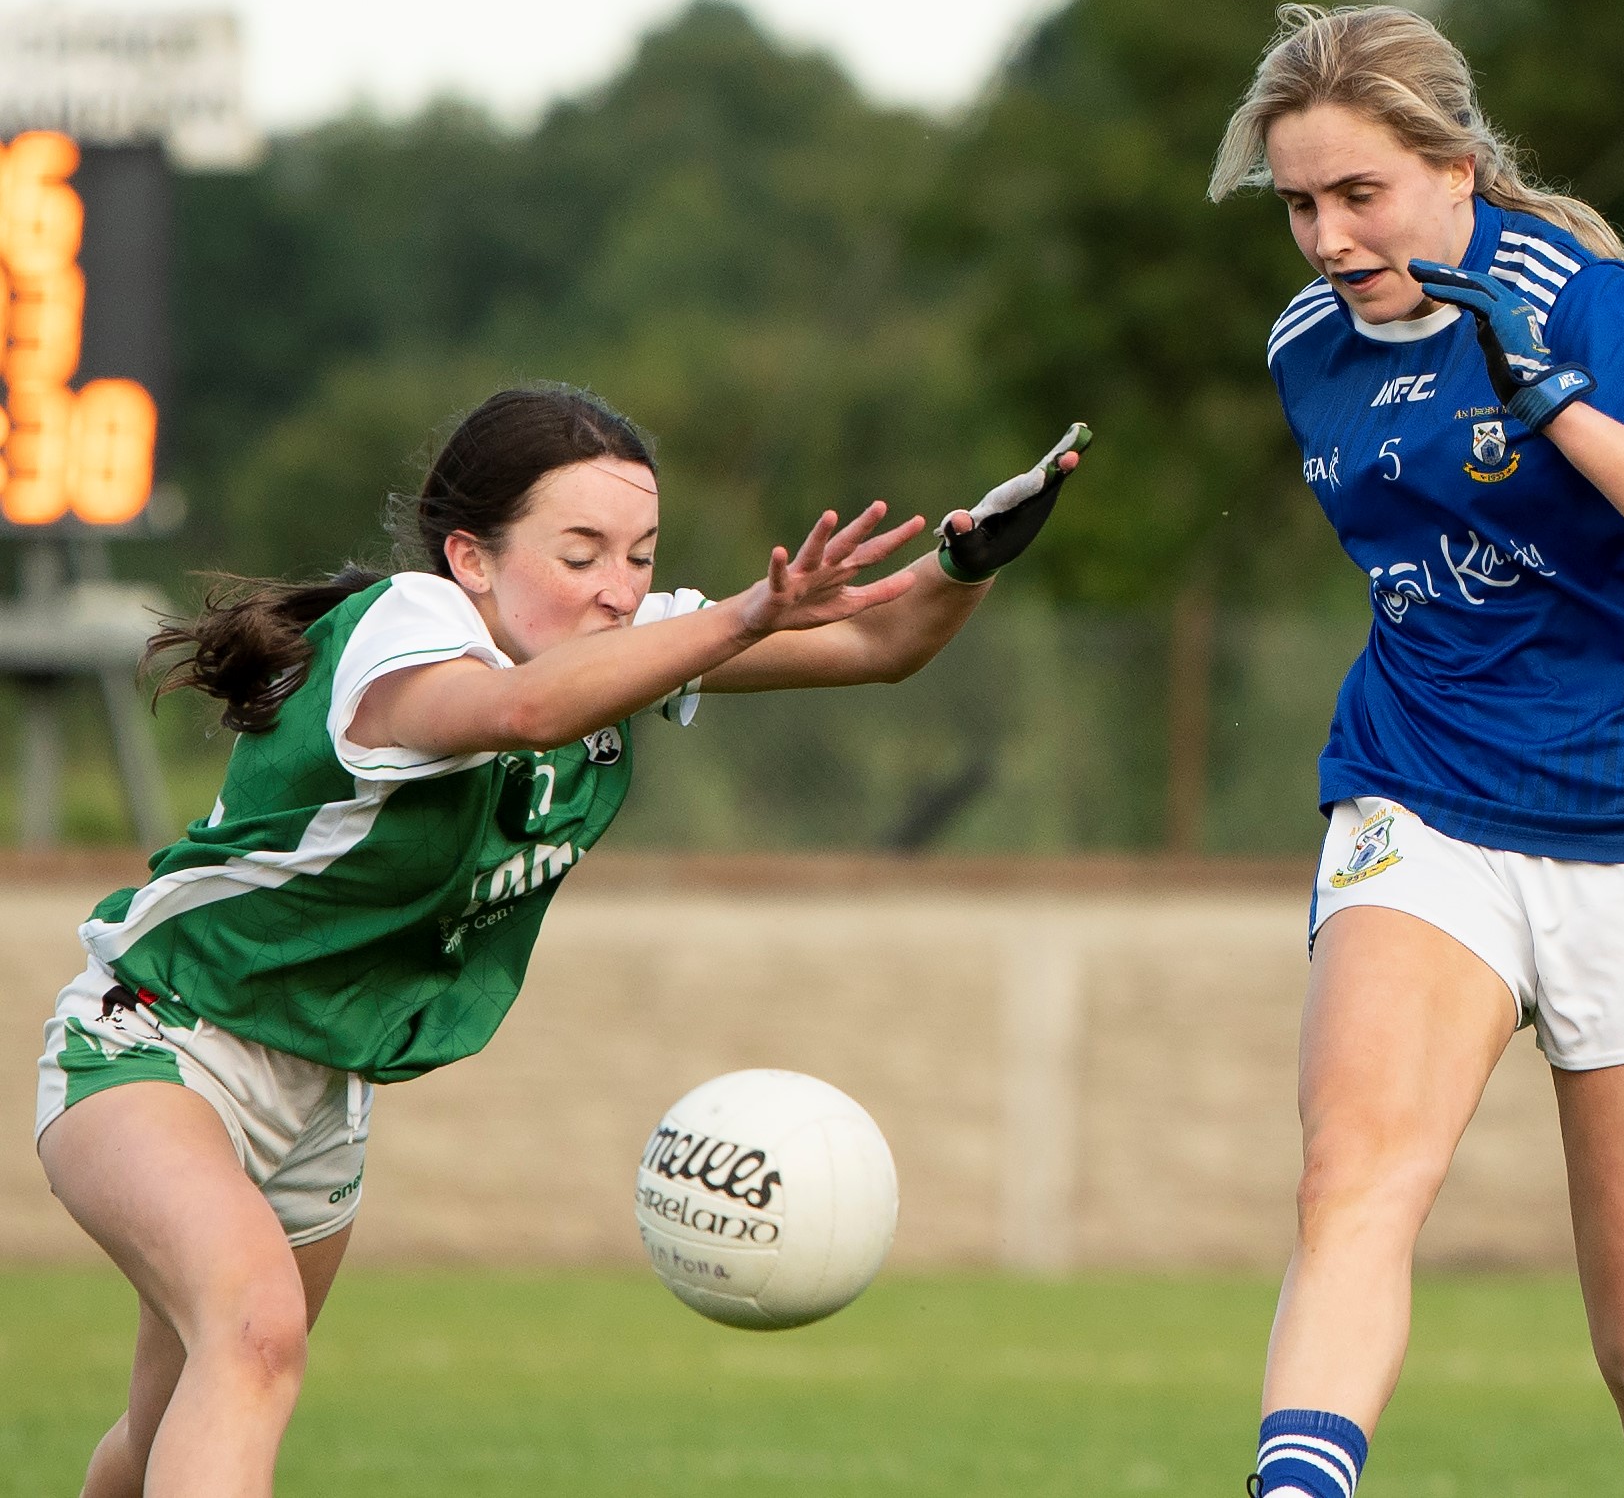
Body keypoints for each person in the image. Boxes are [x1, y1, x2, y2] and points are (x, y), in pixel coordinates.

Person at [33, 383, 1088, 1498]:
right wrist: (737, 616)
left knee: (173, 1424)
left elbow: (878, 640)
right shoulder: (406, 625)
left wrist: (968, 562)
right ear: (470, 557)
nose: (618, 588)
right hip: (158, 1038)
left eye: (638, 555)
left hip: (321, 1089)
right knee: (254, 1332)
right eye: (579, 552)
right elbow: (520, 711)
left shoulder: (625, 641)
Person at [1208, 4, 1624, 1498]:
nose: (1328, 237)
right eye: (1297, 203)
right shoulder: (1304, 346)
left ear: (1454, 169)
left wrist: (1564, 409)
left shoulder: (1572, 296)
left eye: (1359, 194)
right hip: (1423, 802)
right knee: (1354, 1182)